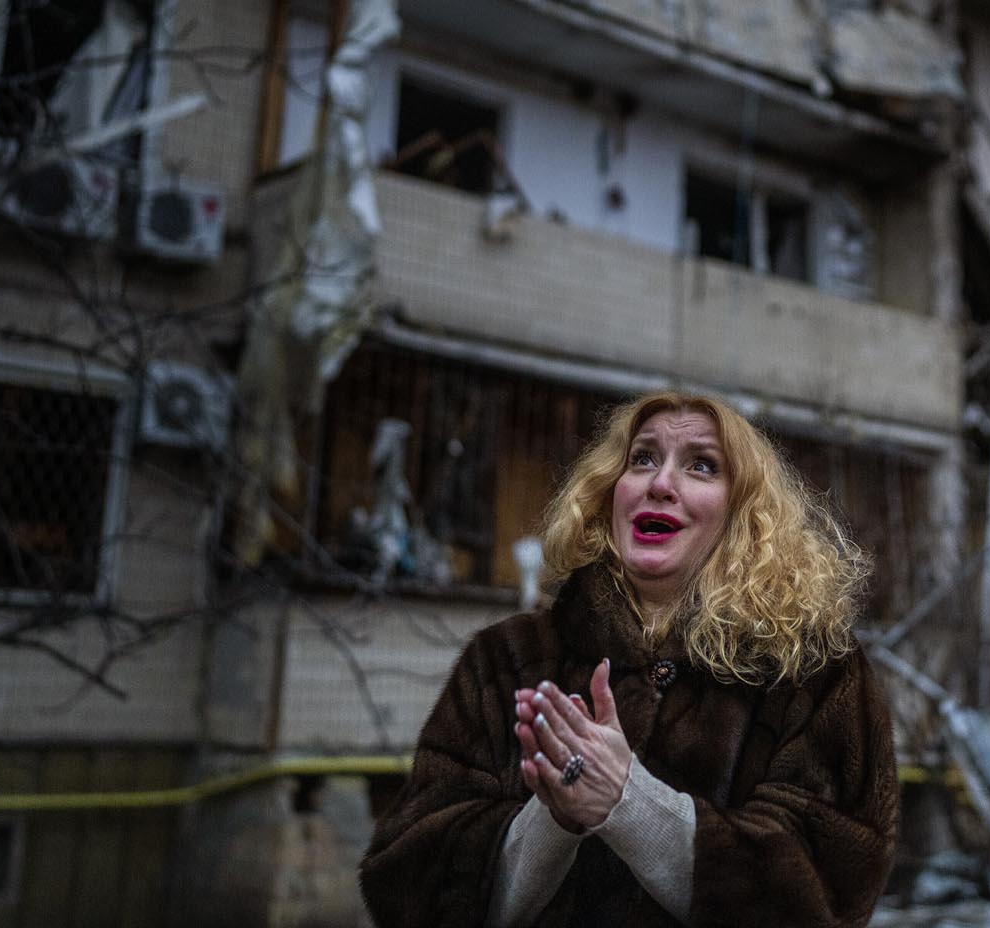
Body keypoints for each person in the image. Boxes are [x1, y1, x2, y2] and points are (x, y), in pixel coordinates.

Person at [360, 392, 900, 927]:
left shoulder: (813, 671)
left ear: (744, 515)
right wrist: (554, 820)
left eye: (701, 466)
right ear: (609, 493)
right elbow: (405, 884)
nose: (660, 484)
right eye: (642, 458)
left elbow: (830, 892)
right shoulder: (505, 660)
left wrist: (630, 803)